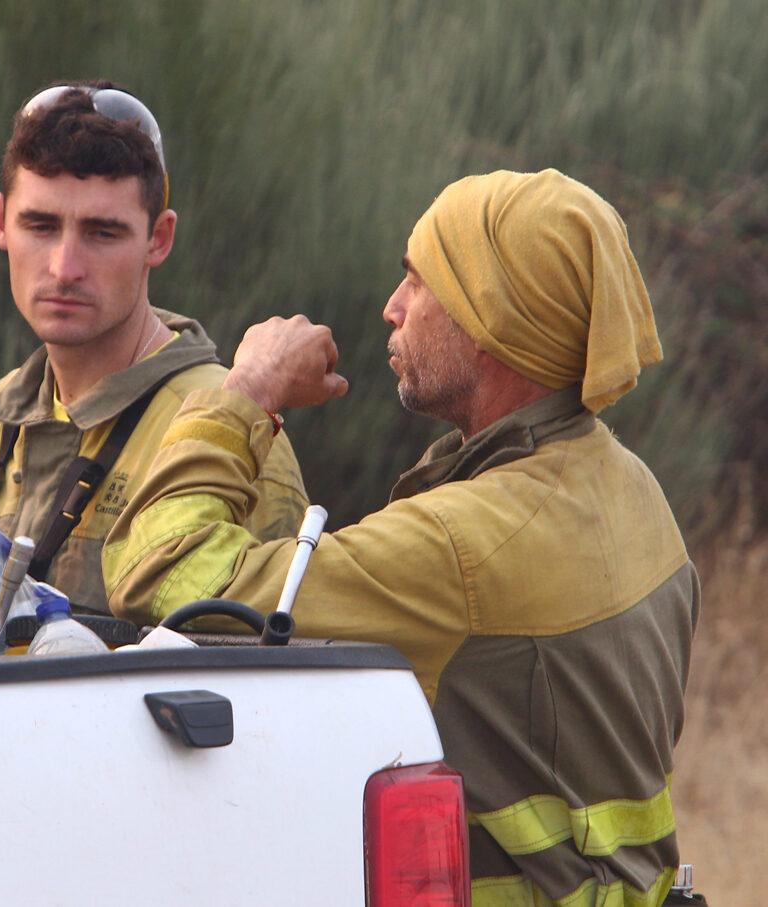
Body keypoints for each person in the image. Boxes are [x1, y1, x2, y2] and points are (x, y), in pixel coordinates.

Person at [104, 170, 698, 906]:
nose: (392, 306)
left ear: (491, 319)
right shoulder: (632, 486)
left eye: (419, 281)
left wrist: (247, 390)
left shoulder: (463, 545)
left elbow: (163, 572)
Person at [0, 81, 307, 615]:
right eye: (40, 226)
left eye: (103, 233)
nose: (64, 268)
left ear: (158, 239)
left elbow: (273, 649)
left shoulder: (232, 428)